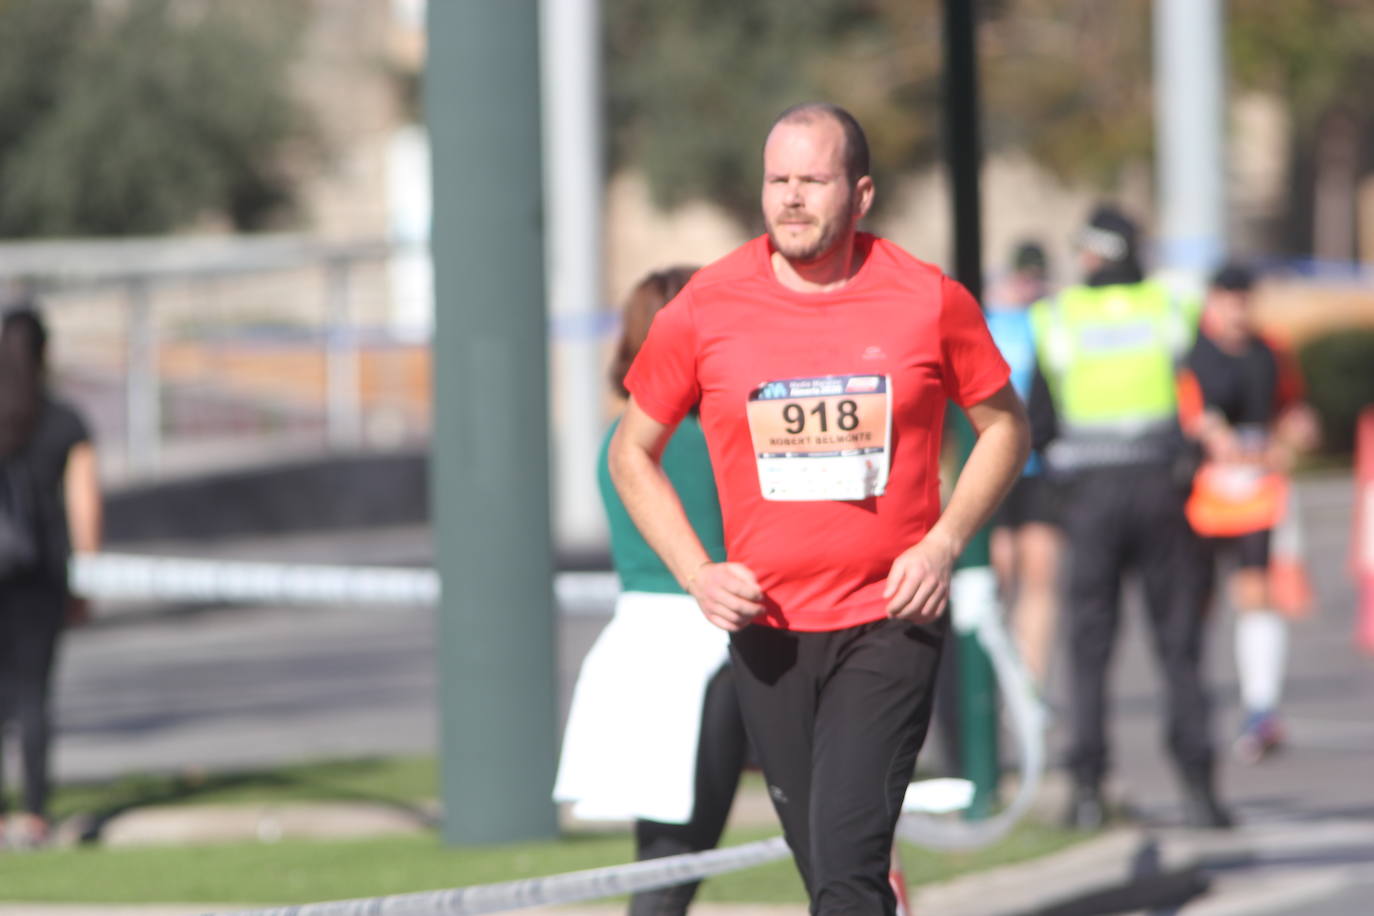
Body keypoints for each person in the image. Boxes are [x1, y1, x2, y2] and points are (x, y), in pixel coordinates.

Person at [609, 102, 1029, 914]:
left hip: (889, 619)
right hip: (766, 633)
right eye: (778, 181)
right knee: (826, 867)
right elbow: (631, 453)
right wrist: (697, 573)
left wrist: (943, 543)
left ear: (860, 195)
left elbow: (1006, 428)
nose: (792, 198)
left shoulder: (926, 299)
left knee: (846, 866)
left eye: (813, 180)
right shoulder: (705, 307)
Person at [1027, 205, 1232, 831]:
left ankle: (1086, 791)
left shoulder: (1059, 318)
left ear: (1092, 255)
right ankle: (1199, 791)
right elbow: (1215, 389)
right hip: (1162, 491)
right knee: (1178, 645)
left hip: (1089, 497)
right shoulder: (1169, 307)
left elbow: (1038, 421)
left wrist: (1062, 492)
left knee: (1089, 648)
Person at [554, 267, 748, 915]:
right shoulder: (719, 438)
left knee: (662, 857)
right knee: (679, 865)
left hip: (638, 652)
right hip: (714, 653)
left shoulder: (620, 441)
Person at [1179, 263, 1319, 764]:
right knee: (1195, 600)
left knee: (1256, 591)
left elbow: (1293, 408)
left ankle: (1261, 707)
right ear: (1214, 300)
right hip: (1199, 493)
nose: (1238, 308)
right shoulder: (1191, 350)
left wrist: (1293, 434)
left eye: (1245, 297)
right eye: (1229, 297)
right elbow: (1188, 409)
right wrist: (1207, 431)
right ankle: (1189, 701)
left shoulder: (1270, 349)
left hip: (1256, 488)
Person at [0, 305, 102, 849]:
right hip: (41, 574)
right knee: (34, 694)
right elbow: (85, 505)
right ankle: (35, 814)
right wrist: (86, 577)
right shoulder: (64, 420)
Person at [984, 241, 1062, 688]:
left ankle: (1029, 685)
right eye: (1023, 276)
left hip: (1039, 468)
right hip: (995, 466)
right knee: (999, 573)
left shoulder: (1050, 323)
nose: (1030, 285)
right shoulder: (987, 320)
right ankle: (996, 681)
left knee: (1040, 574)